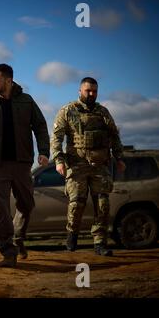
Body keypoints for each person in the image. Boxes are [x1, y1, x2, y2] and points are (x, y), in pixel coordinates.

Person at [0, 64, 50, 267]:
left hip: (22, 163)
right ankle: (8, 251)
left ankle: (18, 236)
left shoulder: (26, 101)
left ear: (8, 80)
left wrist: (44, 152)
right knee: (1, 209)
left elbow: (40, 126)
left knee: (26, 204)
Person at [51, 77, 125, 256]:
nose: (91, 94)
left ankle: (100, 242)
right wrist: (59, 160)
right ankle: (72, 236)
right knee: (77, 204)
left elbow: (114, 135)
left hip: (100, 165)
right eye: (88, 91)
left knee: (103, 204)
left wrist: (119, 157)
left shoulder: (103, 112)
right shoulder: (68, 111)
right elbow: (56, 137)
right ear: (80, 91)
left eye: (94, 91)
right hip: (77, 165)